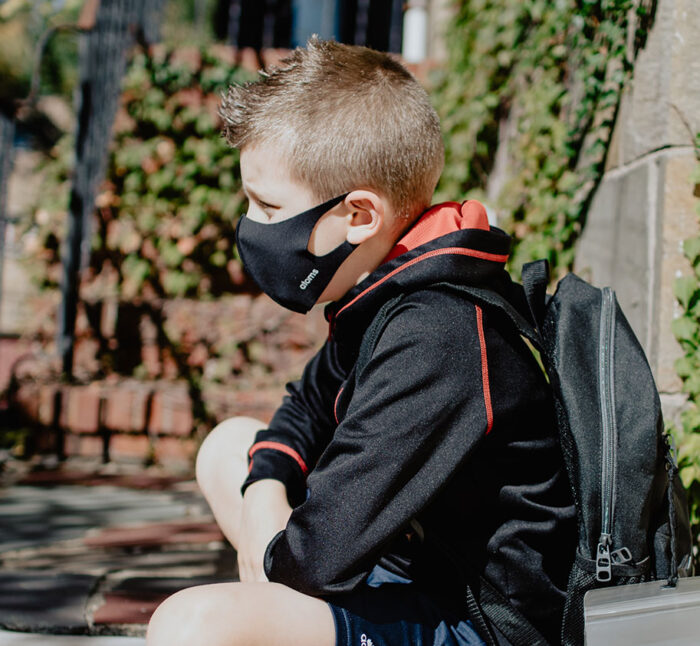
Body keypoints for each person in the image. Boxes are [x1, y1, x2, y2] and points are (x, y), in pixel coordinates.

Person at [146, 37, 576, 646]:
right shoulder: (387, 288)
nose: (249, 226)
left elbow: (313, 561)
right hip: (402, 564)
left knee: (193, 626)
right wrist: (267, 486)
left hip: (477, 622)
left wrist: (270, 552)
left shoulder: (437, 333)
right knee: (229, 448)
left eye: (268, 205)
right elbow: (304, 406)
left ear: (359, 216)